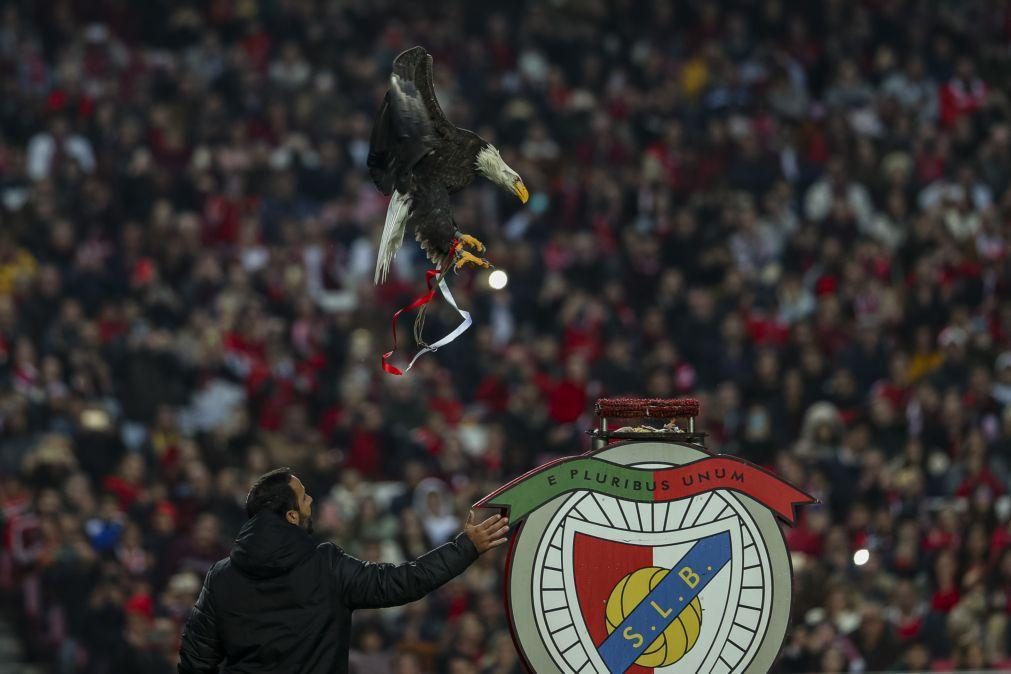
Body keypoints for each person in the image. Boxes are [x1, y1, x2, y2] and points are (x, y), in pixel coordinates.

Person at [177, 467, 509, 673]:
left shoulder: (221, 576)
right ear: (291, 516)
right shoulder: (325, 564)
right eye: (304, 498)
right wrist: (466, 547)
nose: (311, 502)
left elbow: (195, 662)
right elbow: (401, 582)